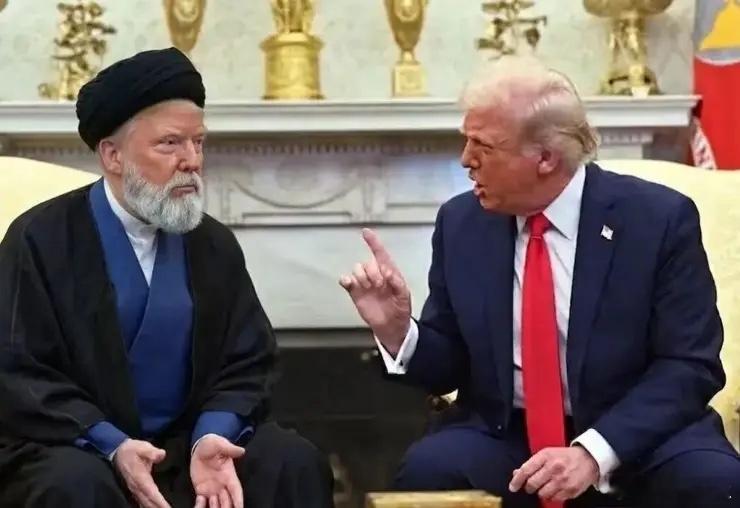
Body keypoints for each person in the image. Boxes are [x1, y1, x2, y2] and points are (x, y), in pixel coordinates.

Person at [340, 56, 740, 508]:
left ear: (545, 158)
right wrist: (397, 330)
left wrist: (592, 453)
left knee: (717, 482)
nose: (466, 160)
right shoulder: (462, 222)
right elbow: (450, 363)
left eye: (482, 146)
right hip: (507, 431)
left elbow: (690, 365)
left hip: (640, 432)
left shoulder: (658, 219)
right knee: (429, 471)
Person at [0, 47, 333, 508]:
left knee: (291, 461)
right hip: (80, 446)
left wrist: (212, 435)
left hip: (189, 447)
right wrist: (111, 443)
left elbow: (248, 363)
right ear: (113, 155)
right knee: (72, 485)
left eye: (198, 142)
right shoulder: (40, 239)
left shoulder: (213, 244)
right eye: (170, 144)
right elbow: (19, 374)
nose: (192, 160)